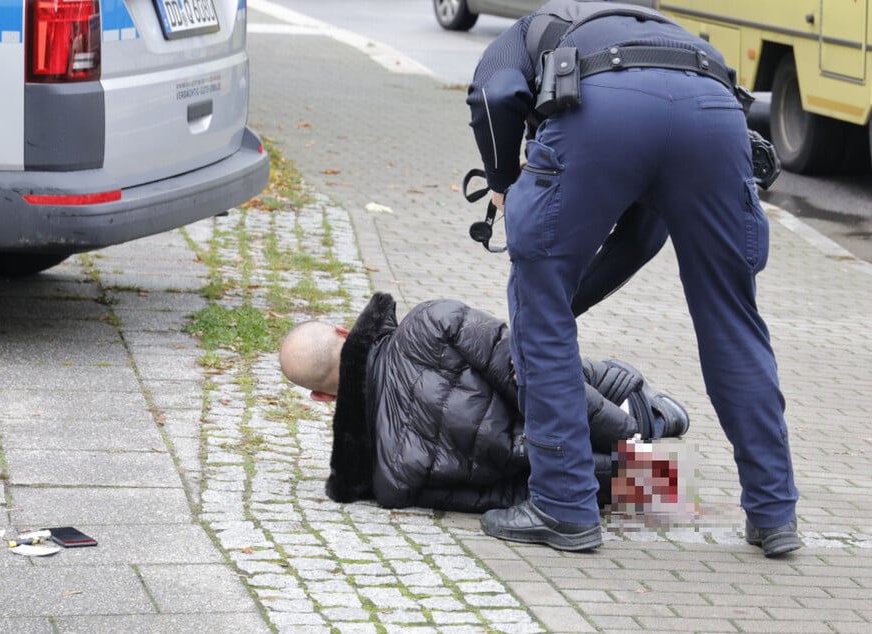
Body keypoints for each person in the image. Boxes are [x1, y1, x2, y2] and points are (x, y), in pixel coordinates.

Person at [466, 0, 798, 556]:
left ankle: (563, 506)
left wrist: (503, 181)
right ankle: (774, 513)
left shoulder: (529, 29)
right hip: (717, 115)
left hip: (604, 110)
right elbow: (643, 236)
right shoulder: (664, 30)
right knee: (732, 322)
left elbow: (493, 95)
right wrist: (564, 308)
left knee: (536, 297)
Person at [278, 292, 689, 514]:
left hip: (586, 474)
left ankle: (650, 471)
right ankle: (644, 413)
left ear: (320, 397)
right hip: (598, 407)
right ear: (343, 330)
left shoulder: (389, 477)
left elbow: (499, 496)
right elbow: (531, 368)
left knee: (659, 479)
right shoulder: (428, 322)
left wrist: (626, 478)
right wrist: (627, 428)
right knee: (539, 358)